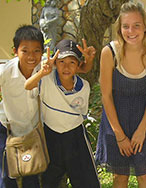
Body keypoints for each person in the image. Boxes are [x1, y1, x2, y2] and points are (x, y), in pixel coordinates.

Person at [95, 2, 146, 188]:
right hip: (115, 120)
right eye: (126, 26)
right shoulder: (109, 52)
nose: (131, 31)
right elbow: (106, 96)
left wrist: (142, 129)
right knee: (120, 178)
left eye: (136, 25)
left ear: (145, 26)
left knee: (145, 177)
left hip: (145, 119)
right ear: (119, 28)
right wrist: (119, 135)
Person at [24, 39, 100, 188]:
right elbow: (28, 86)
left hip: (75, 138)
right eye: (61, 62)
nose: (66, 67)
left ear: (78, 66)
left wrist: (89, 61)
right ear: (55, 64)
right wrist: (42, 72)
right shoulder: (46, 79)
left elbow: (81, 112)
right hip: (51, 136)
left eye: (72, 62)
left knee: (87, 182)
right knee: (47, 181)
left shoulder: (83, 86)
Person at [0, 25, 45, 188]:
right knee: (6, 177)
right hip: (6, 128)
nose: (31, 56)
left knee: (32, 175)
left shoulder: (45, 69)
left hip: (32, 130)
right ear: (15, 51)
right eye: (25, 51)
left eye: (36, 51)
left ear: (43, 52)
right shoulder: (5, 70)